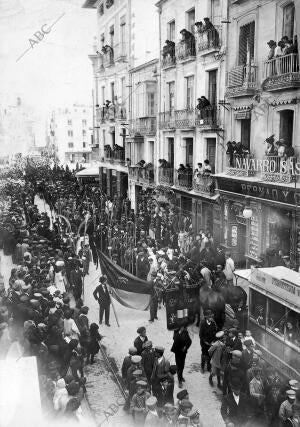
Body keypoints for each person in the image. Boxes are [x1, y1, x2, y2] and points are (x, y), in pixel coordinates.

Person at [171, 321, 192, 388]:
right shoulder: (176, 331)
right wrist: (180, 331)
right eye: (183, 327)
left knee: (182, 365)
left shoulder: (185, 332)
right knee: (179, 366)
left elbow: (189, 341)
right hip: (177, 352)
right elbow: (175, 339)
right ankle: (179, 380)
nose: (184, 328)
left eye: (184, 327)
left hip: (183, 352)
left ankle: (181, 376)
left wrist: (185, 347)